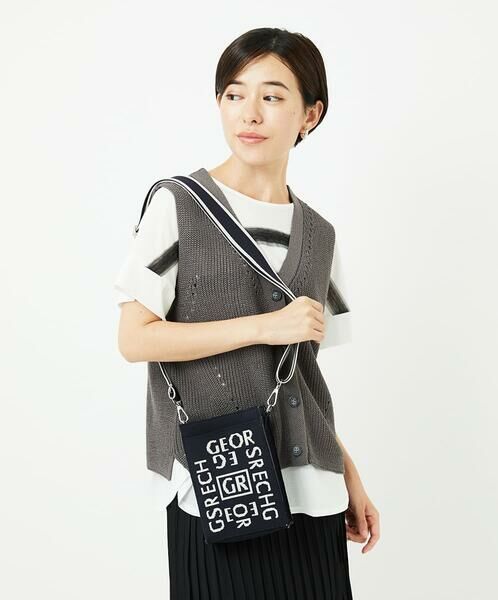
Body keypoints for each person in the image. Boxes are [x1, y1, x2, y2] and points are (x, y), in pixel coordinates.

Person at [115, 27, 380, 600]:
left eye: (273, 96)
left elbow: (300, 377)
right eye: (234, 94)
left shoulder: (320, 234)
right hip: (220, 482)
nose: (249, 113)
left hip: (315, 494)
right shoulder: (178, 205)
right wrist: (264, 327)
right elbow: (135, 338)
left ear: (310, 114)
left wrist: (349, 474)